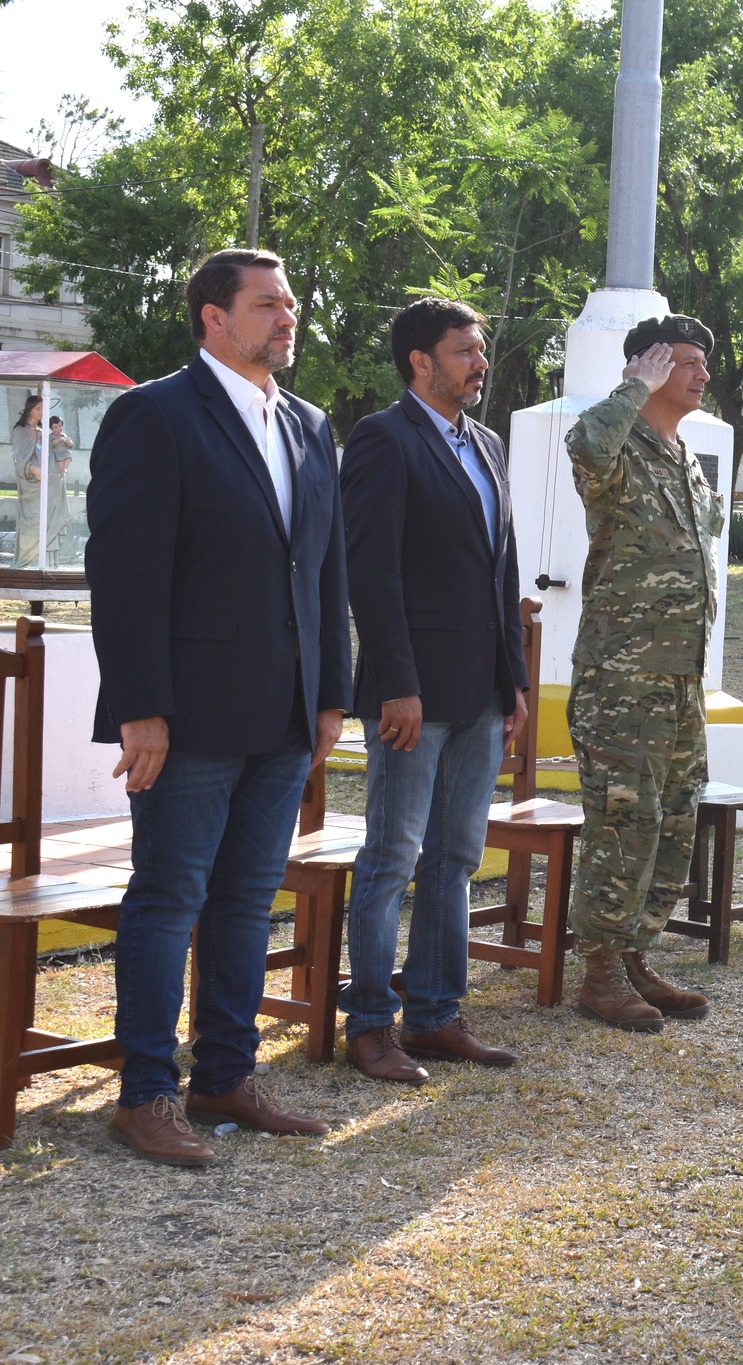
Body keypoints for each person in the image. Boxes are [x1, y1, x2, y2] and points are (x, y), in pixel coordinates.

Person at [86, 248, 350, 1166]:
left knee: (244, 901)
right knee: (169, 898)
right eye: (268, 304)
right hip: (188, 715)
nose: (287, 317)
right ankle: (145, 1094)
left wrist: (331, 694)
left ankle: (226, 1078)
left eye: (290, 303)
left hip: (285, 711)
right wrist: (141, 708)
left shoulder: (309, 425)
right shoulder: (154, 414)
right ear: (213, 317)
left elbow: (324, 569)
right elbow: (123, 576)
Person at [337, 298, 528, 1083]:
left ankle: (436, 1015)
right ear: (420, 361)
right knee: (392, 856)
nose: (479, 363)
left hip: (481, 692)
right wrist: (396, 682)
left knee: (455, 858)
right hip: (412, 696)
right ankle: (370, 1025)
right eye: (463, 351)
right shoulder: (383, 438)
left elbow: (503, 570)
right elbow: (370, 570)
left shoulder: (487, 443)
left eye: (480, 350)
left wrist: (515, 681)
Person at [561, 316, 724, 1031]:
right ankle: (598, 972)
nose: (701, 374)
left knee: (675, 821)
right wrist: (632, 389)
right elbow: (584, 443)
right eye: (685, 361)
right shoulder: (617, 444)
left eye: (703, 363)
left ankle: (634, 955)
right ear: (648, 366)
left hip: (681, 675)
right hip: (622, 680)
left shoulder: (684, 456)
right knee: (624, 821)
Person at [10, 394, 73, 567]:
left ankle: (50, 563)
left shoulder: (42, 431)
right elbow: (19, 460)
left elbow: (51, 453)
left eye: (44, 408)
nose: (42, 412)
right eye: (38, 408)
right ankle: (29, 565)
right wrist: (33, 469)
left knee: (51, 523)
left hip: (51, 484)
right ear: (30, 410)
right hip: (33, 487)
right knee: (35, 524)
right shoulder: (21, 431)